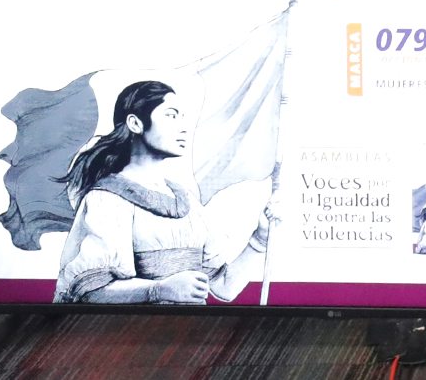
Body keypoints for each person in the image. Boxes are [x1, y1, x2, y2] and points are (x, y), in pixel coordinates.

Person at [54, 80, 274, 305]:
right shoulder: (108, 199)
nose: (183, 127)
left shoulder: (185, 200)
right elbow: (91, 291)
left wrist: (260, 239)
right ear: (135, 123)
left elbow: (224, 287)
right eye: (171, 115)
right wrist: (159, 290)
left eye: (182, 117)